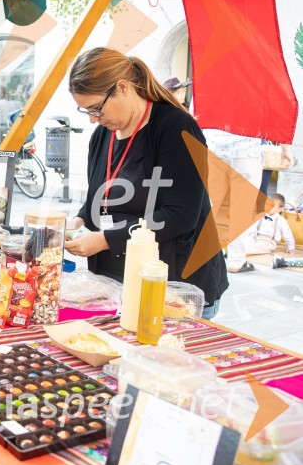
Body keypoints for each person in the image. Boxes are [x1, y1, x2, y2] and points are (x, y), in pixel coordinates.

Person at [64, 48, 228, 319]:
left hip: (172, 282)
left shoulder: (176, 128)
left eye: (96, 108)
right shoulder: (102, 136)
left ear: (123, 87)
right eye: (86, 111)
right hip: (116, 278)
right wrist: (78, 222)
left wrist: (106, 239)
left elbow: (179, 215)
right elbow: (101, 197)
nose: (93, 118)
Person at [227, 193, 295, 272]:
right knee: (243, 241)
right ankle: (234, 250)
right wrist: (249, 237)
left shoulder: (280, 220)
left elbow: (287, 234)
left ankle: (237, 252)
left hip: (268, 241)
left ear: (280, 209)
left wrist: (291, 247)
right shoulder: (261, 216)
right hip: (256, 237)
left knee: (256, 247)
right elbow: (253, 228)